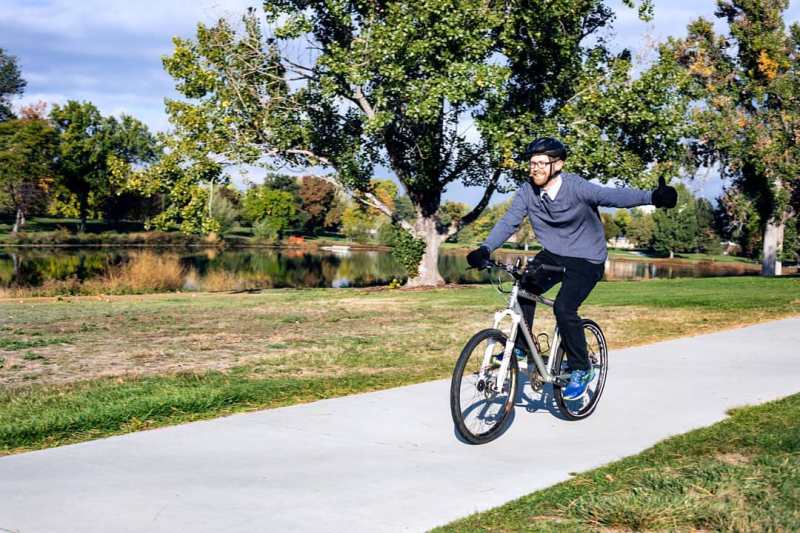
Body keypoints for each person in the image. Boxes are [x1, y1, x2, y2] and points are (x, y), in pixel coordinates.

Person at [466, 137, 677, 400]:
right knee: (524, 288)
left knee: (564, 308)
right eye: (532, 163)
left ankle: (581, 368)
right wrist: (486, 248)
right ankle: (521, 346)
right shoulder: (527, 192)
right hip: (554, 254)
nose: (535, 168)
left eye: (541, 163)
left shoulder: (576, 187)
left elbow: (612, 196)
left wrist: (653, 197)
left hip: (587, 258)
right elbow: (510, 221)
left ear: (558, 165)